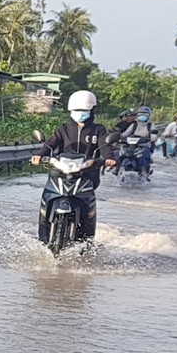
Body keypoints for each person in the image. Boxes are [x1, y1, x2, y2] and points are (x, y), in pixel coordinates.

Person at [31, 88, 116, 242]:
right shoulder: (63, 129)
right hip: (60, 173)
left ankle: (87, 242)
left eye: (84, 110)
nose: (80, 113)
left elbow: (105, 147)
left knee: (88, 205)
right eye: (76, 110)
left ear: (92, 110)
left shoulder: (98, 130)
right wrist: (39, 155)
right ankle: (42, 238)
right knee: (47, 197)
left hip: (86, 174)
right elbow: (49, 144)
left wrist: (109, 158)